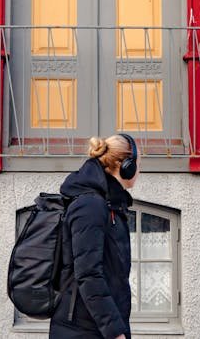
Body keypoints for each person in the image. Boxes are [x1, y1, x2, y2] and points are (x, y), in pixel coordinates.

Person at [49, 133, 139, 339]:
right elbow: (88, 274)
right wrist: (115, 332)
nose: (139, 170)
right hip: (81, 331)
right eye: (139, 164)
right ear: (126, 166)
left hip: (97, 328)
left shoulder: (110, 205)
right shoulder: (90, 206)